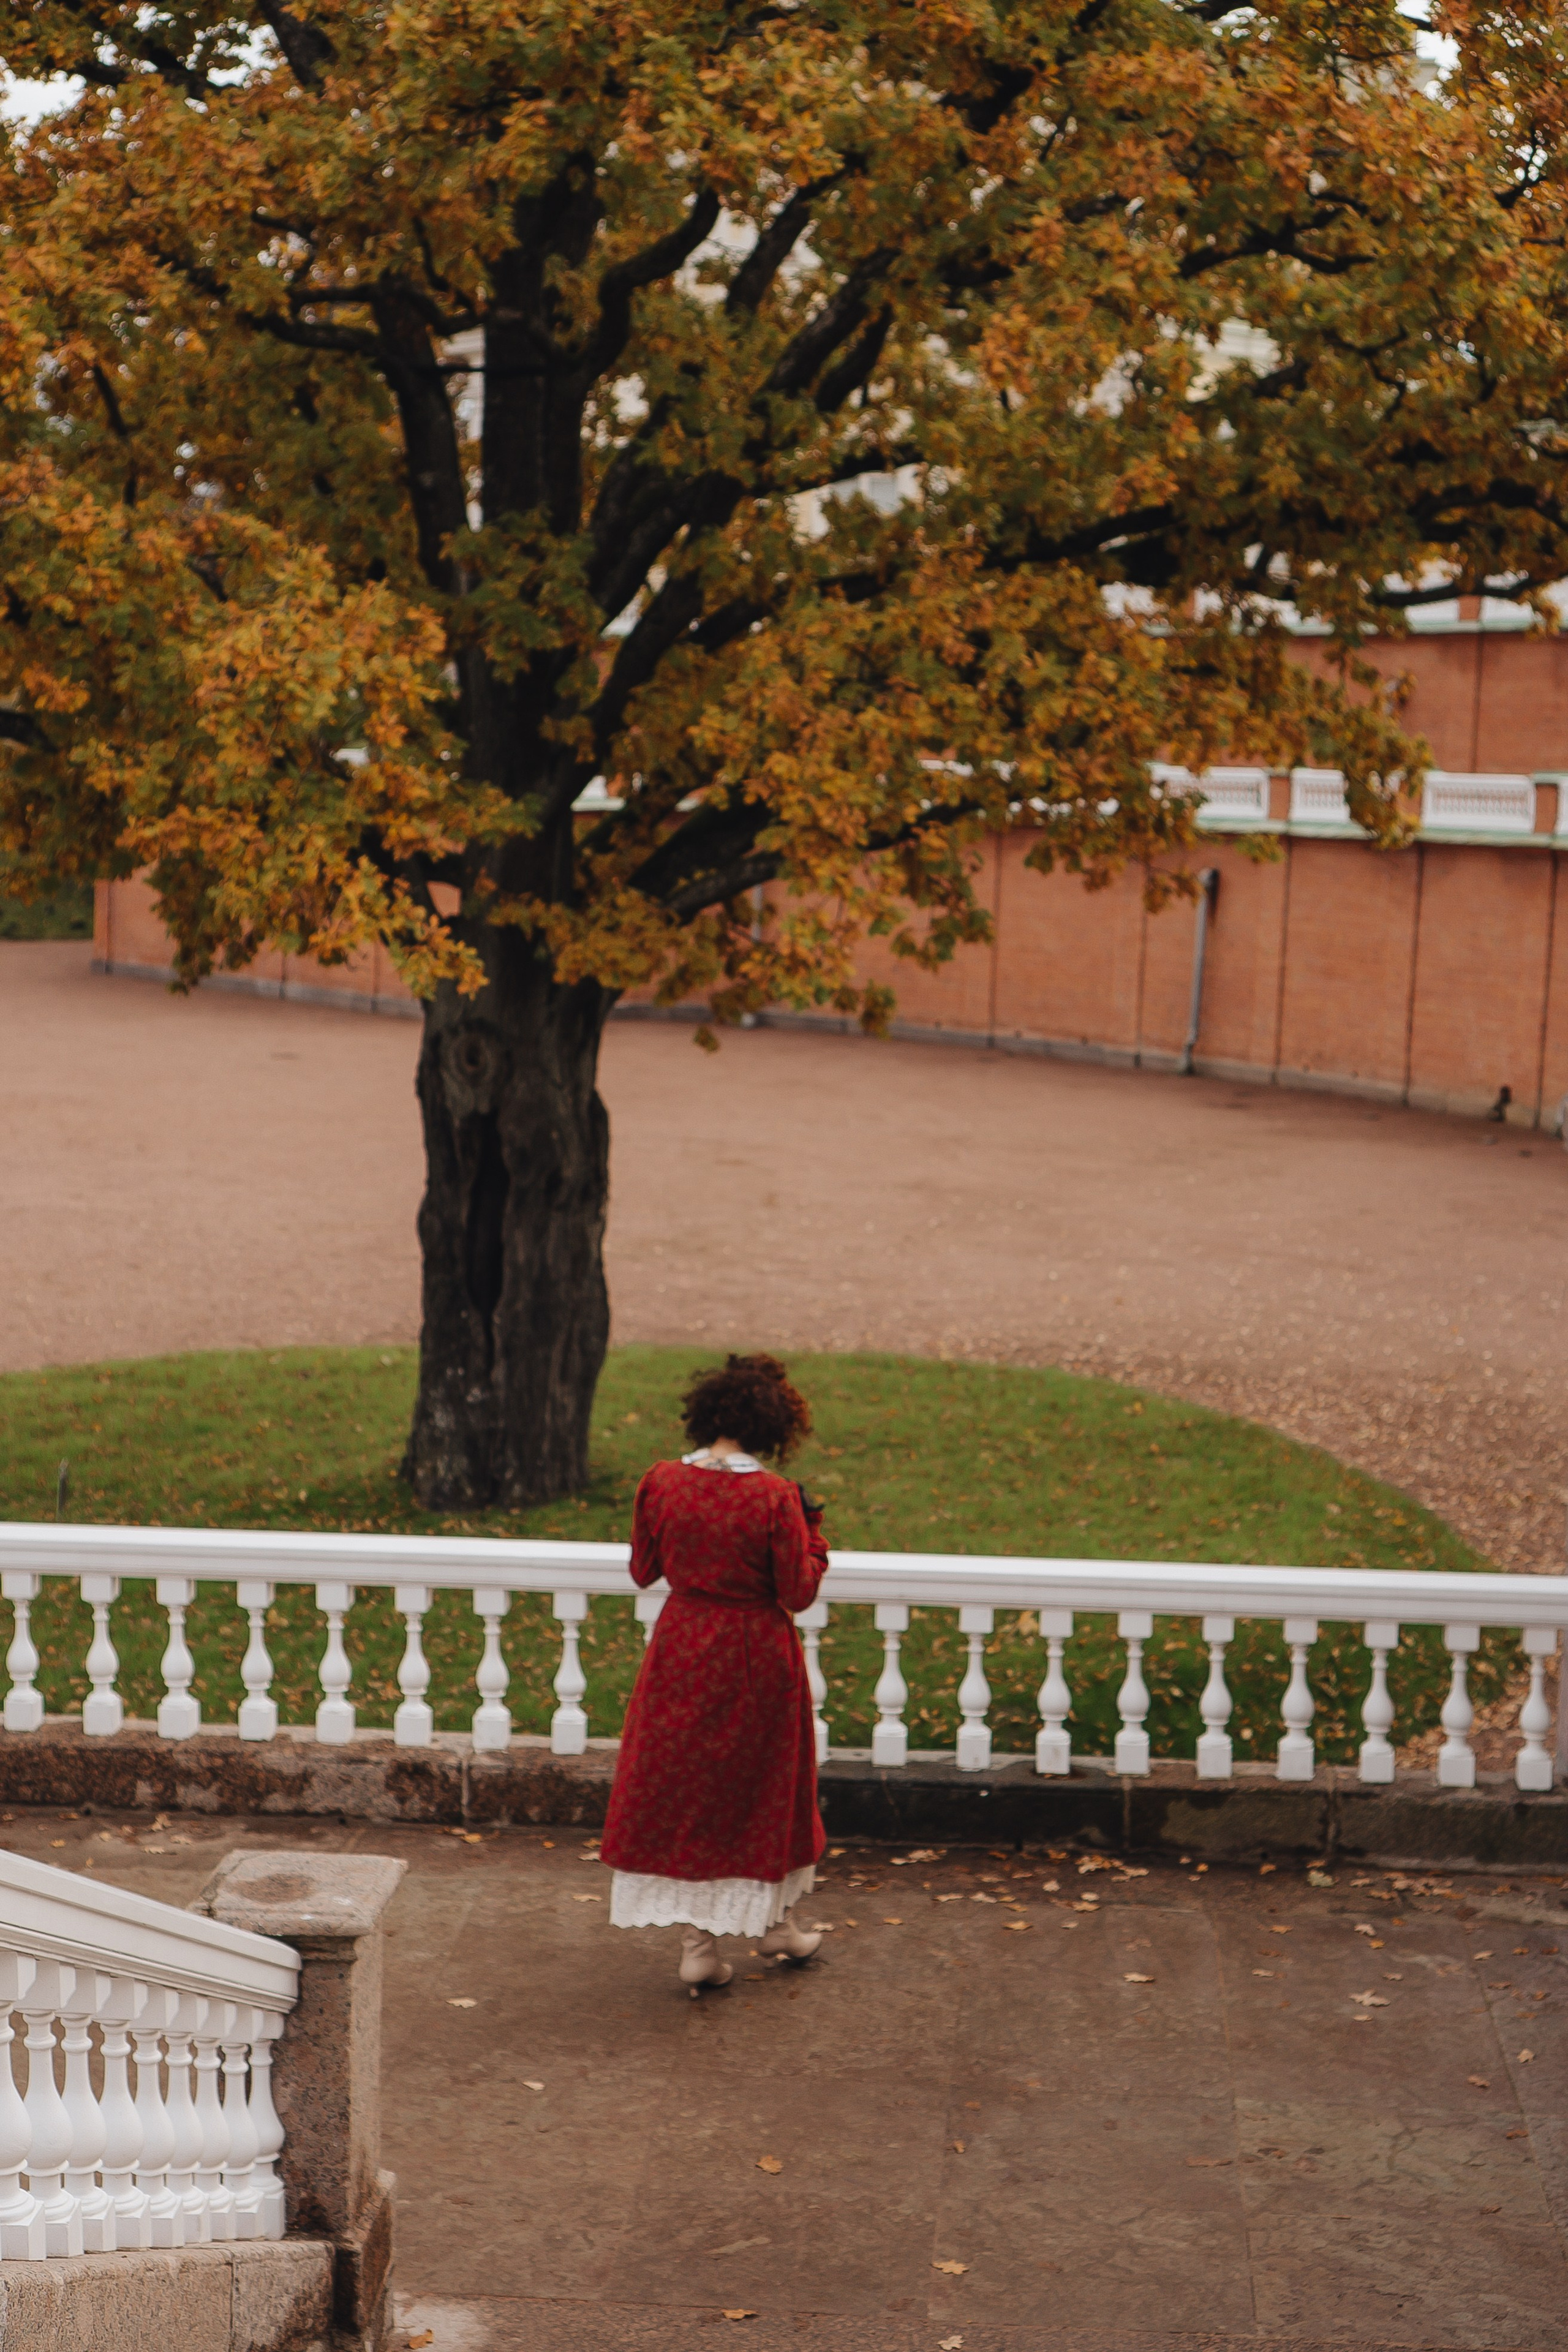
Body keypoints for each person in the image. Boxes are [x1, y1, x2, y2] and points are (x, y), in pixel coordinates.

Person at [600, 1352, 829, 1992]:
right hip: (755, 1653)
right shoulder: (775, 1498)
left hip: (682, 1646)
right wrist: (812, 1535)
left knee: (689, 1786)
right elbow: (798, 1590)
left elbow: (644, 1571)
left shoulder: (662, 1482)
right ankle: (775, 1924)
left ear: (704, 1415)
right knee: (763, 1789)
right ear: (773, 1426)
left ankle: (703, 1944)